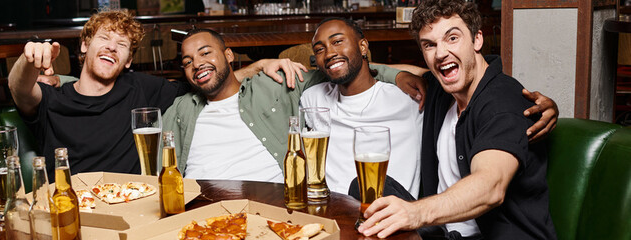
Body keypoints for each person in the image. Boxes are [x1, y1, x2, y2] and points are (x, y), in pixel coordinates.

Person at [8, 10, 305, 181]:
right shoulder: (53, 96)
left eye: (121, 45)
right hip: (70, 208)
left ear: (127, 62)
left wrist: (258, 66)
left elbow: (207, 80)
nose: (112, 46)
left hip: (131, 207)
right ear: (85, 45)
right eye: (104, 38)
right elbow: (19, 89)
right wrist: (29, 59)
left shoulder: (143, 89)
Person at [357, 0, 558, 239]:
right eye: (430, 45)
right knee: (369, 194)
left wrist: (414, 213)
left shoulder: (503, 103)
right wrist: (389, 73)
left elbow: (490, 186)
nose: (441, 54)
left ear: (477, 40)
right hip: (442, 232)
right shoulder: (441, 90)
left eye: (452, 38)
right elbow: (400, 71)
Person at [162, 29, 412, 182]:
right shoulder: (181, 109)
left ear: (229, 56)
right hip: (199, 212)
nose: (197, 64)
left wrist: (396, 76)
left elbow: (343, 71)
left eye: (206, 53)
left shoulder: (274, 84)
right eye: (187, 61)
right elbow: (156, 171)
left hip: (269, 206)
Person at [301, 17, 424, 198]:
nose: (329, 54)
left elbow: (438, 74)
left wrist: (398, 75)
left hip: (395, 214)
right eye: (319, 49)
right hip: (334, 215)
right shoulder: (313, 98)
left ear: (363, 46)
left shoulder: (409, 97)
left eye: (337, 41)